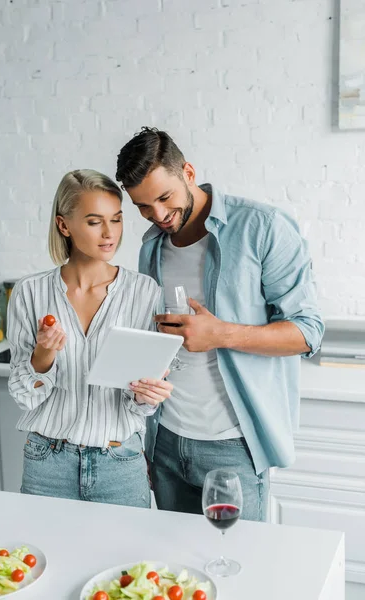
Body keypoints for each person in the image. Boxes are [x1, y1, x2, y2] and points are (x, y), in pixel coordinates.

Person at [115, 127, 324, 521]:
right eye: (143, 207)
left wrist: (220, 334)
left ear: (188, 173)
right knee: (178, 568)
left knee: (240, 566)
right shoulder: (151, 246)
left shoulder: (262, 228)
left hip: (234, 445)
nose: (158, 215)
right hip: (165, 440)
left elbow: (308, 331)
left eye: (165, 197)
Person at [7, 169, 172, 508]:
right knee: (49, 558)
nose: (110, 233)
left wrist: (149, 393)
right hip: (47, 462)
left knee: (126, 561)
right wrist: (43, 354)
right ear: (64, 225)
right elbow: (24, 396)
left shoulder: (144, 292)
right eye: (95, 222)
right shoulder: (30, 292)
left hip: (119, 463)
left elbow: (139, 403)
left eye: (117, 219)